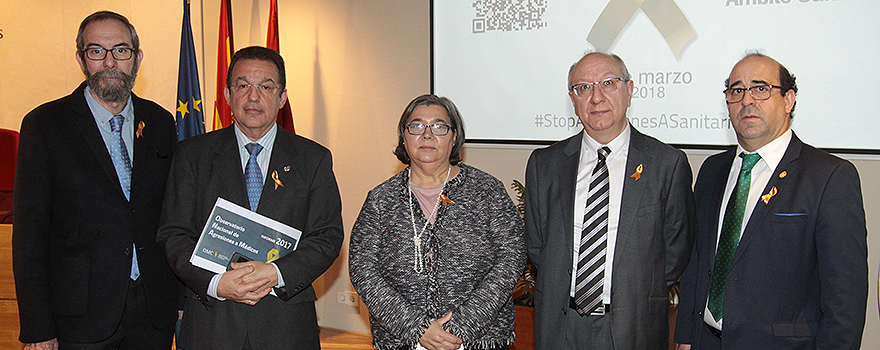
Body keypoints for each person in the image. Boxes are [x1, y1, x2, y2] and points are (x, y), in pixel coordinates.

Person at [674, 53, 868, 350]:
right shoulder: (712, 171)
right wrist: (686, 338)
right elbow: (696, 265)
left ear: (788, 100)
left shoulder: (830, 176)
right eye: (736, 91)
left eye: (760, 88)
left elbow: (845, 298)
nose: (747, 100)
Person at [156, 46, 343, 350]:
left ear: (282, 98)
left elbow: (327, 237)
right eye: (243, 86)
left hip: (286, 324)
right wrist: (217, 283)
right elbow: (173, 234)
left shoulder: (314, 159)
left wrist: (275, 273)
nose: (253, 97)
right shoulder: (192, 155)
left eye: (266, 87)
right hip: (211, 322)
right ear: (228, 94)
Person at [12, 11, 179, 350]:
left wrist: (178, 299)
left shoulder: (161, 123)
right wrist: (37, 327)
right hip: (78, 316)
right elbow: (29, 234)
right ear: (81, 59)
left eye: (120, 50)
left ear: (137, 57)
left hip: (153, 312)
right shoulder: (45, 124)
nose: (109, 62)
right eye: (96, 51)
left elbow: (172, 215)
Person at [524, 52, 695, 350]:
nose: (596, 97)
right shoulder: (545, 164)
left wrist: (636, 291)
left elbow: (676, 250)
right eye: (584, 88)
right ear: (573, 99)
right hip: (561, 326)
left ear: (629, 91)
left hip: (635, 325)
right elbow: (538, 246)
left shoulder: (667, 164)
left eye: (608, 83)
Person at [349, 94, 526, 350]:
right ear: (404, 137)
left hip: (478, 339)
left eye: (439, 126)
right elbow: (363, 269)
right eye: (417, 126)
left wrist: (461, 326)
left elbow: (512, 257)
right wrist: (415, 328)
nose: (427, 134)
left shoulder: (487, 191)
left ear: (454, 137)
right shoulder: (380, 199)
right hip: (402, 342)